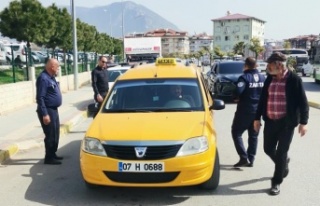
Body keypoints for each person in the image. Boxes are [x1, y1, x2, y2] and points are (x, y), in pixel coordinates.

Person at [253, 52, 309, 196]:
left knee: (281, 152)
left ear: (279, 65)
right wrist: (257, 118)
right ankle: (283, 163)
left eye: (270, 64)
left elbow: (303, 103)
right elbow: (262, 100)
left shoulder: (294, 80)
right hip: (271, 121)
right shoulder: (269, 80)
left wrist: (304, 122)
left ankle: (276, 182)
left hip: (286, 123)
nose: (268, 67)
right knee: (267, 148)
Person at [231, 57, 265, 167]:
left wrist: (236, 97)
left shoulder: (244, 77)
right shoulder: (262, 77)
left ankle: (243, 157)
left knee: (236, 133)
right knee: (253, 136)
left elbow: (238, 91)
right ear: (256, 65)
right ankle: (251, 159)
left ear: (246, 65)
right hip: (258, 111)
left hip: (245, 110)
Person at [36, 58, 63, 165]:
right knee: (50, 134)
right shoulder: (43, 78)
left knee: (56, 133)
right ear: (52, 66)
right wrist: (45, 114)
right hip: (47, 110)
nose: (58, 68)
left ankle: (53, 153)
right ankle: (49, 158)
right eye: (57, 66)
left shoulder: (51, 77)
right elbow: (40, 97)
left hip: (53, 109)